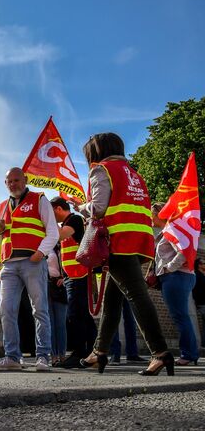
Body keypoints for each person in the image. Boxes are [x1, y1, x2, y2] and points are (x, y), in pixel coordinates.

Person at [74, 132, 173, 376]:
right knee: (112, 300)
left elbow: (98, 208)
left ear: (95, 152)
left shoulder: (101, 170)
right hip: (138, 240)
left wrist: (80, 207)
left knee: (137, 296)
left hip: (117, 241)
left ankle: (160, 352)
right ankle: (100, 352)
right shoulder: (133, 174)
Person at [0, 167, 59, 372]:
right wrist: (0, 231)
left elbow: (52, 232)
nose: (13, 184)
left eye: (17, 180)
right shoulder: (2, 207)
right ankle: (12, 357)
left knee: (40, 310)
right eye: (9, 181)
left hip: (33, 261)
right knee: (6, 309)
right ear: (5, 184)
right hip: (9, 264)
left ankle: (43, 356)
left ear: (25, 180)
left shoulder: (39, 199)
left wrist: (40, 253)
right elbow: (3, 238)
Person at [49, 197, 98, 368]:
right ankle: (93, 352)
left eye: (50, 212)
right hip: (73, 276)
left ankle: (79, 353)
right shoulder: (68, 223)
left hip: (79, 275)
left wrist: (47, 221)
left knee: (75, 315)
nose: (50, 217)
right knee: (83, 315)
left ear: (58, 209)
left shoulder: (74, 220)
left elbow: (59, 236)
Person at [152, 202, 199, 366]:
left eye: (152, 213)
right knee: (181, 316)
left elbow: (183, 252)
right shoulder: (170, 229)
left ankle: (189, 353)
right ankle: (190, 353)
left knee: (180, 316)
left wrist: (168, 268)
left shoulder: (171, 229)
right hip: (180, 277)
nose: (150, 216)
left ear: (160, 213)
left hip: (176, 277)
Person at [46, 248, 67, 367]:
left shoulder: (58, 246)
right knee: (50, 324)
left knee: (60, 323)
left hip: (58, 285)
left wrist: (64, 277)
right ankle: (53, 356)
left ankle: (62, 355)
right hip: (44, 285)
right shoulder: (37, 245)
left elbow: (66, 263)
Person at [108, 300, 144, 365]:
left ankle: (132, 354)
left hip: (128, 290)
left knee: (130, 319)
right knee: (113, 317)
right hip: (114, 290)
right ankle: (115, 354)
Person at [193, 258, 205, 348]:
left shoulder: (202, 275)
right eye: (204, 263)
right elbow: (196, 290)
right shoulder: (197, 275)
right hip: (202, 302)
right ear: (199, 265)